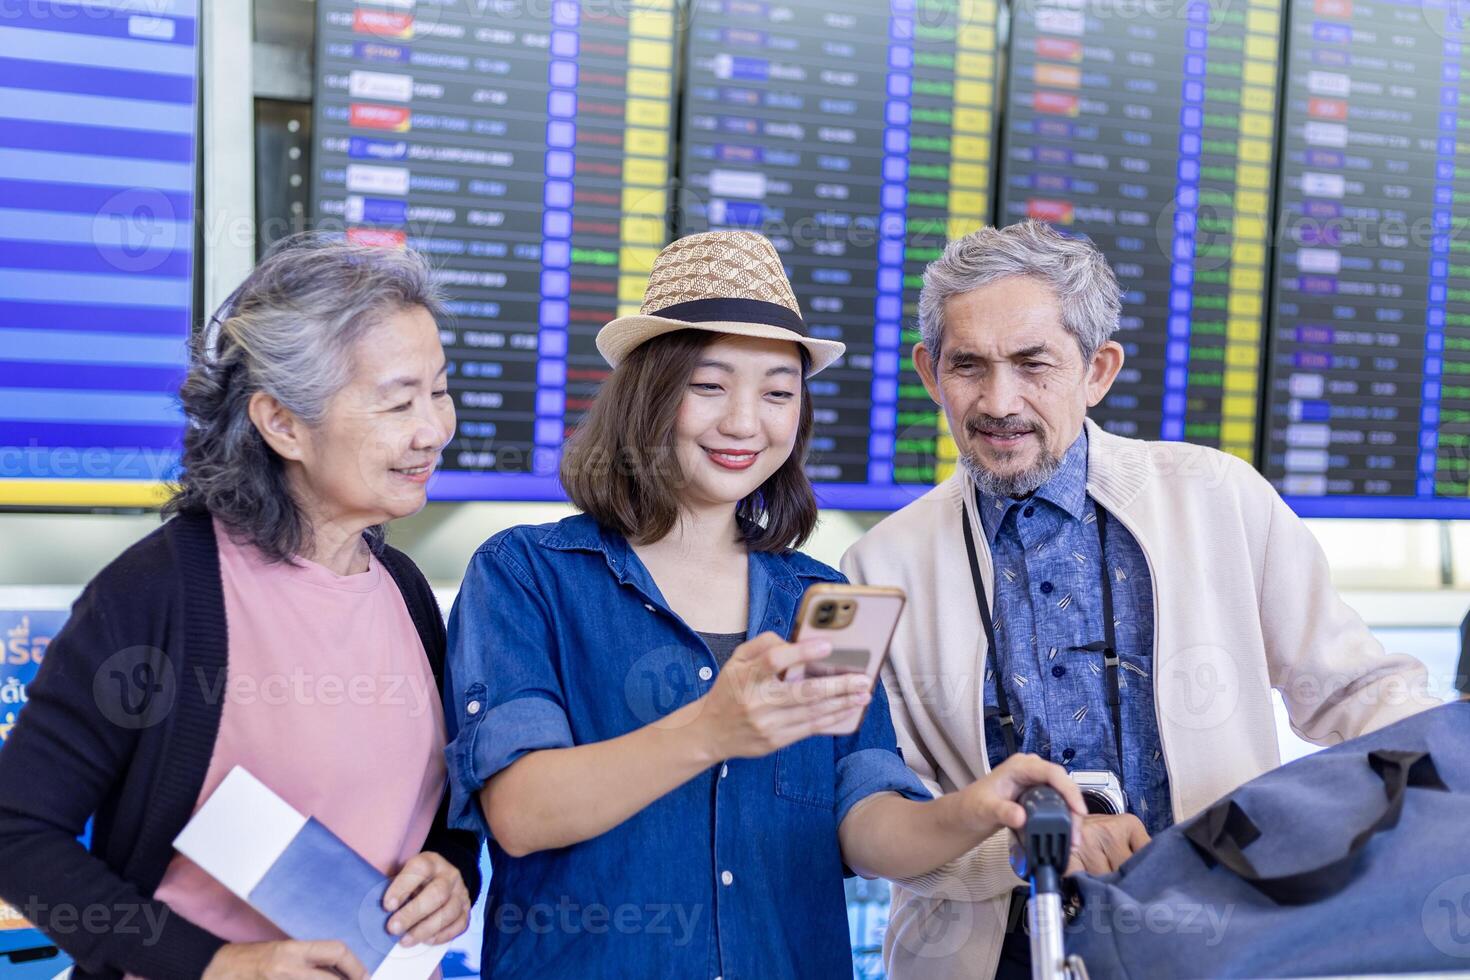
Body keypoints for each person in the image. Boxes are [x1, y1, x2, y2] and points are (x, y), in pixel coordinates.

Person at [442, 230, 1088, 978]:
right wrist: (713, 729)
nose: (746, 423)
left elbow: (865, 823)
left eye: (778, 393)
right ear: (647, 395)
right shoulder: (525, 574)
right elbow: (522, 815)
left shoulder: (825, 599)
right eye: (709, 386)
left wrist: (975, 811)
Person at [841, 220, 1441, 980]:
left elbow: (1357, 693)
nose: (999, 401)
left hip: (1216, 937)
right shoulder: (874, 566)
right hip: (986, 957)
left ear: (1099, 370)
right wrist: (1022, 846)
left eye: (1034, 365)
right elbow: (881, 818)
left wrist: (1439, 774)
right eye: (969, 367)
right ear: (930, 373)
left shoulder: (1219, 499)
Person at [0, 236, 481, 979]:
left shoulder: (406, 590)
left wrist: (453, 872)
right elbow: (18, 832)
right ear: (281, 423)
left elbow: (441, 811)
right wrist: (218, 964)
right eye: (397, 402)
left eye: (440, 391)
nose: (434, 430)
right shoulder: (156, 594)